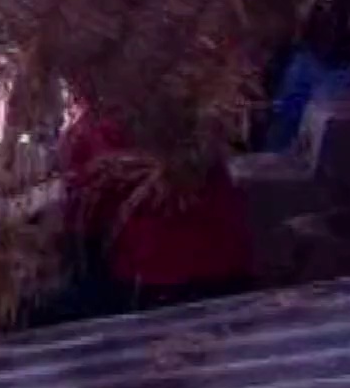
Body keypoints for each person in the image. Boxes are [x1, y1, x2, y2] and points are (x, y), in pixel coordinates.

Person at [55, 86, 254, 316]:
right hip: (228, 272)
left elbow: (81, 224)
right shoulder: (198, 105)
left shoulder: (92, 130)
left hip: (154, 284)